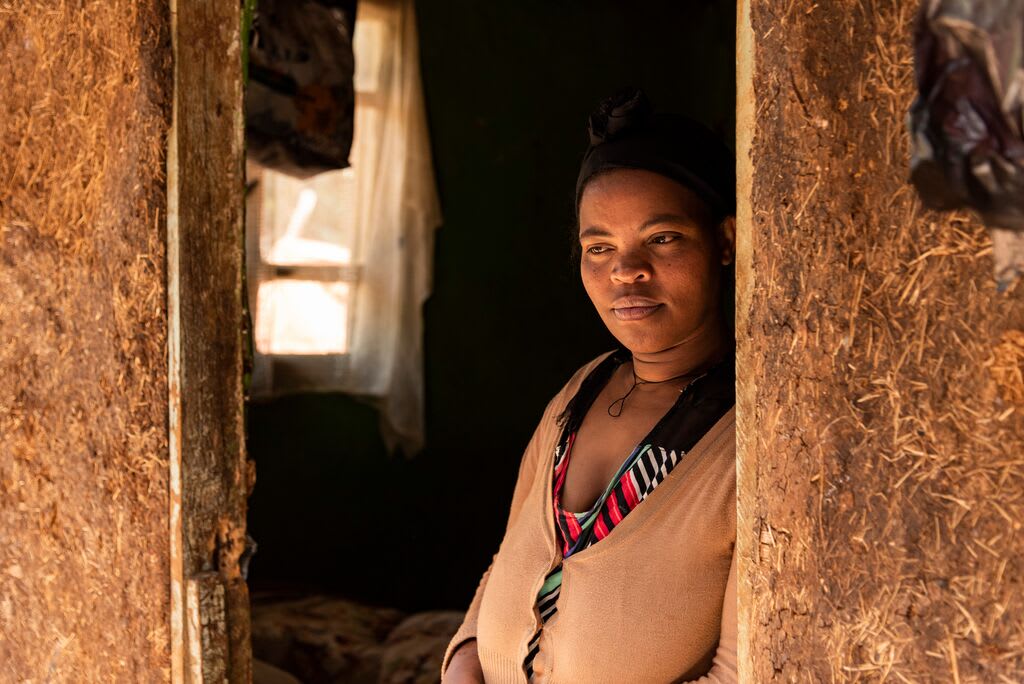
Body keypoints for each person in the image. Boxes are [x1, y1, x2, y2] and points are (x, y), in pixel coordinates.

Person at [442, 88, 737, 684]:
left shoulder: (752, 429)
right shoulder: (581, 389)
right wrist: (465, 660)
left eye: (662, 238)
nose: (626, 270)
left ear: (725, 242)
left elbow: (741, 668)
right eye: (598, 247)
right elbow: (509, 557)